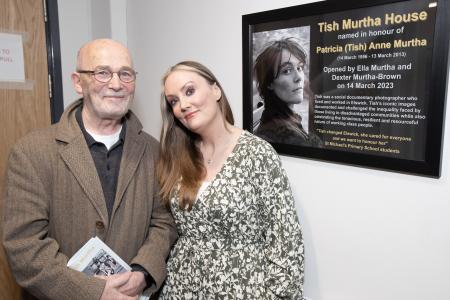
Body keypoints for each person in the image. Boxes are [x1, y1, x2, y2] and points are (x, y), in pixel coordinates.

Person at [2, 39, 177, 300]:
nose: (116, 84)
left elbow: (163, 222)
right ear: (77, 82)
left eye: (125, 74)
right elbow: (24, 247)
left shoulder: (153, 150)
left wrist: (142, 272)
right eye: (102, 72)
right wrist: (94, 292)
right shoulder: (32, 151)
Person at [157, 61, 304, 299]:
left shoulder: (257, 154)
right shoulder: (176, 156)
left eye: (190, 91)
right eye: (173, 101)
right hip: (180, 288)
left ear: (215, 90)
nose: (183, 105)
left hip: (242, 289)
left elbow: (286, 245)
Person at [254, 37, 322, 147]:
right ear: (269, 82)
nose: (299, 78)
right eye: (287, 71)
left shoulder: (279, 118)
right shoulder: (286, 135)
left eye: (299, 68)